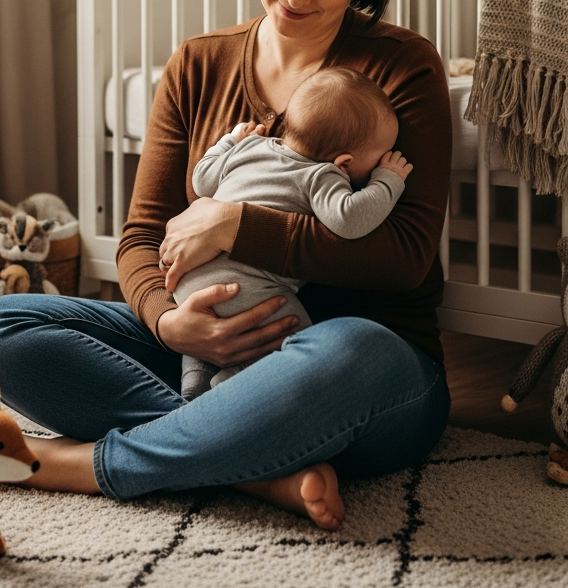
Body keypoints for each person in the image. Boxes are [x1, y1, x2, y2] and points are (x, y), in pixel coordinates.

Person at [0, 0, 452, 532]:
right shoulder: (198, 64)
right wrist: (167, 321)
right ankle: (257, 468)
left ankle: (79, 465)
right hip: (200, 348)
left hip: (352, 366)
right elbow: (141, 236)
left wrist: (237, 223)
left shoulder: (403, 68)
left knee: (352, 352)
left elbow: (406, 256)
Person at [174, 66, 413, 400]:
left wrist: (230, 140)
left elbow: (202, 180)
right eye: (376, 159)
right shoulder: (321, 175)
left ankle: (194, 385)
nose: (379, 163)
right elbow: (349, 219)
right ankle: (229, 384)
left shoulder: (251, 147)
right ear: (344, 163)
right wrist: (388, 180)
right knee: (298, 339)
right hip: (244, 287)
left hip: (189, 280)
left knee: (206, 335)